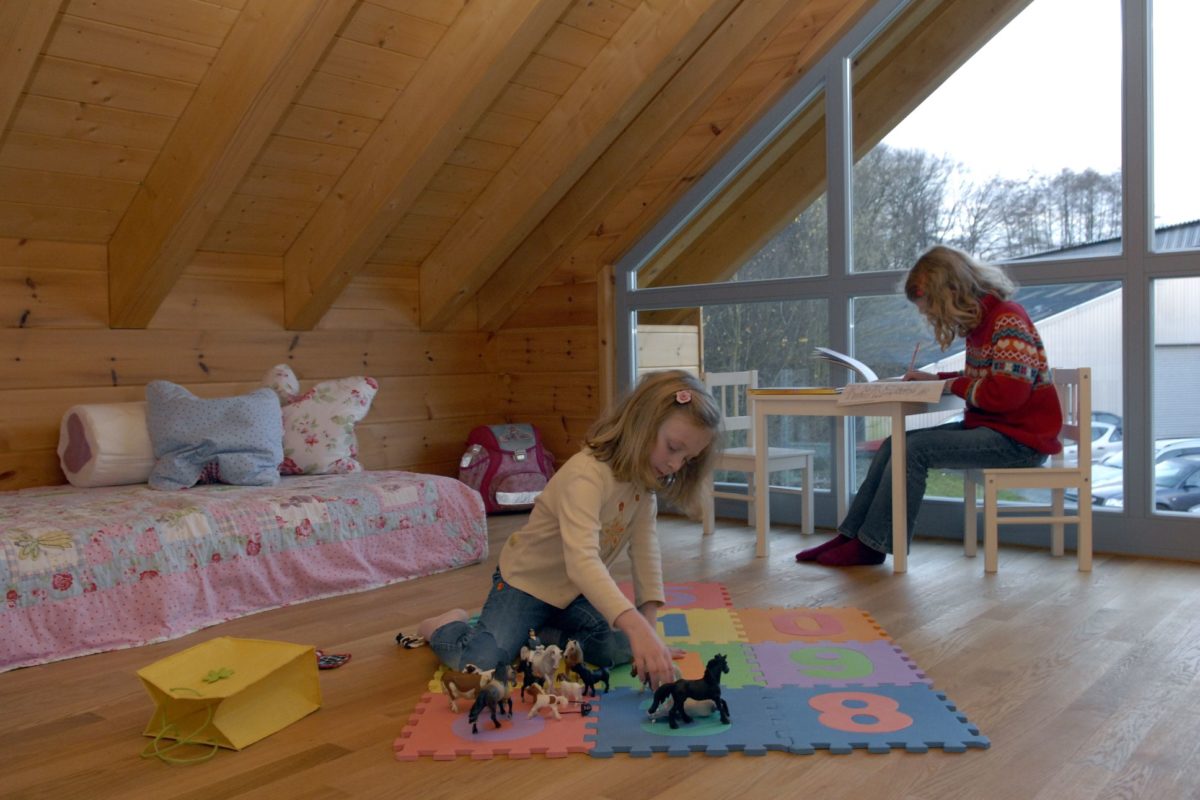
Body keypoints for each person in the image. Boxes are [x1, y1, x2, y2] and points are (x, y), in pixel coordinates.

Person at [414, 369, 721, 689]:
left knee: (617, 648)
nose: (675, 464)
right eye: (673, 448)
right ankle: (445, 626)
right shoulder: (586, 474)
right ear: (642, 422)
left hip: (574, 592)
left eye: (687, 458)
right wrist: (636, 629)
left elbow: (645, 550)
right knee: (483, 663)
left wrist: (648, 631)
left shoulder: (644, 484)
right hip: (525, 584)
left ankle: (541, 632)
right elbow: (583, 561)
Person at [797, 244, 1063, 567]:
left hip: (1020, 442)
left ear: (949, 292)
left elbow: (1007, 395)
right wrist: (935, 378)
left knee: (913, 450)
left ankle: (872, 545)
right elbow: (981, 379)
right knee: (895, 444)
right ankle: (852, 534)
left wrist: (949, 384)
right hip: (996, 431)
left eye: (930, 307)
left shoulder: (1007, 320)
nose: (929, 315)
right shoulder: (985, 324)